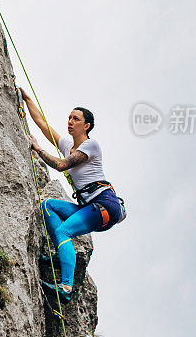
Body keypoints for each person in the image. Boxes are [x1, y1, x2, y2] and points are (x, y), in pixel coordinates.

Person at [19, 87, 125, 301]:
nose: (70, 121)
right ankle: (61, 253)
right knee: (47, 206)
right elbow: (42, 124)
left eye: (75, 119)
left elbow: (60, 165)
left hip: (105, 205)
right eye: (69, 117)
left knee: (64, 232)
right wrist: (27, 98)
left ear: (86, 126)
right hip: (90, 206)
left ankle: (66, 288)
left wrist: (37, 149)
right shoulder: (68, 144)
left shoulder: (90, 146)